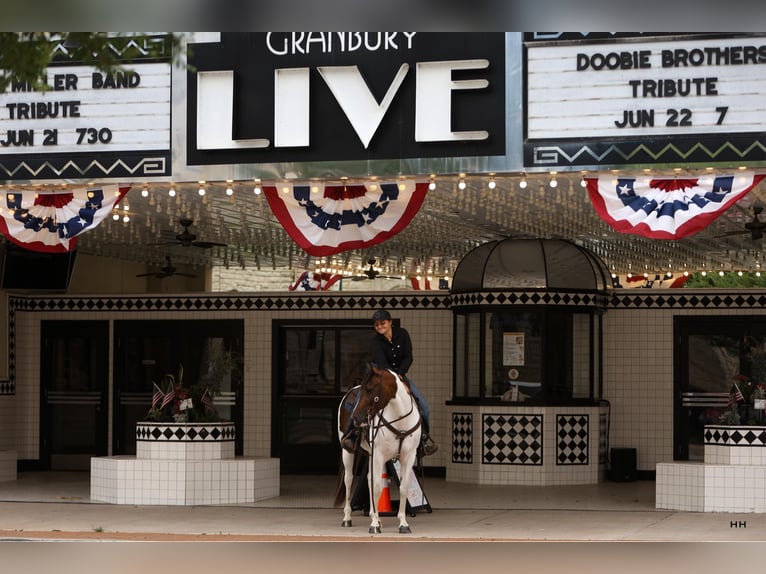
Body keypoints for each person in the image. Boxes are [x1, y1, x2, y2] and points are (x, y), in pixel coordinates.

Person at [367, 309, 438, 456]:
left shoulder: (403, 334)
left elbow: (408, 357)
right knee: (361, 403)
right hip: (380, 378)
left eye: (383, 323)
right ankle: (351, 434)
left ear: (390, 322)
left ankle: (423, 439)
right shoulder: (375, 341)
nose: (380, 327)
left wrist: (400, 377)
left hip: (400, 376)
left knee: (423, 405)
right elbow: (382, 364)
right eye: (377, 324)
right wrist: (396, 379)